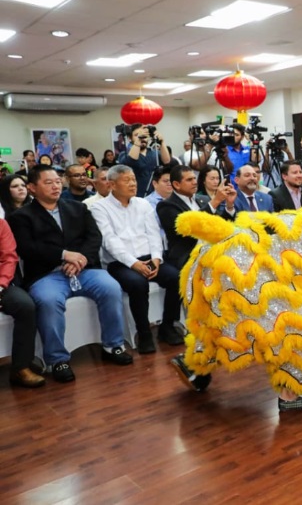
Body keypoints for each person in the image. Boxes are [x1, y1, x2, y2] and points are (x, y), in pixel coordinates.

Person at [8, 165, 133, 383]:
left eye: (58, 181)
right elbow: (27, 248)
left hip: (84, 269)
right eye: (48, 182)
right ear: (32, 188)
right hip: (47, 274)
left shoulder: (77, 208)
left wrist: (80, 259)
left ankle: (113, 346)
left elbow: (94, 237)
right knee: (48, 300)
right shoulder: (21, 217)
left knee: (111, 287)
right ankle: (58, 360)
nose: (56, 186)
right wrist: (65, 255)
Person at [89, 165, 183, 353]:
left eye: (133, 179)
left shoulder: (143, 204)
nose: (133, 184)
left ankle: (167, 326)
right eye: (127, 180)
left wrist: (156, 259)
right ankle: (144, 333)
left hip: (149, 257)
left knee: (176, 277)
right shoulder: (99, 208)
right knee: (138, 284)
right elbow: (109, 241)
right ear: (112, 184)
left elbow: (154, 234)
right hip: (119, 263)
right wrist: (134, 263)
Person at [157, 166, 235, 271]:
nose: (194, 182)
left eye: (194, 178)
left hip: (213, 250)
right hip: (188, 256)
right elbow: (189, 227)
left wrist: (229, 205)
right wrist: (215, 201)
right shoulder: (166, 206)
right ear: (176, 184)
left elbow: (220, 224)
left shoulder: (203, 200)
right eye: (189, 180)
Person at [0, 219, 45, 387]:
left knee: (25, 305)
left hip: (2, 284)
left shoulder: (1, 225)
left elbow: (9, 258)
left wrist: (0, 285)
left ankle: (21, 367)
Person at [117, 124, 172, 197]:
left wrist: (162, 142)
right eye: (136, 135)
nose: (142, 138)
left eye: (145, 136)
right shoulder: (124, 154)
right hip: (136, 195)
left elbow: (167, 161)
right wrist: (138, 141)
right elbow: (131, 160)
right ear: (130, 138)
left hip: (155, 195)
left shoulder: (153, 153)